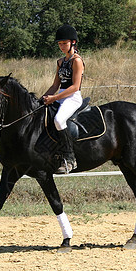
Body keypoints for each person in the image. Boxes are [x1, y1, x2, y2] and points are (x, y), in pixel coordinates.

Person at [42, 24, 84, 174]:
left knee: (59, 120)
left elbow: (75, 86)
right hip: (60, 95)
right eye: (59, 44)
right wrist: (43, 98)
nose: (61, 46)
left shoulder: (77, 61)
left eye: (64, 43)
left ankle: (70, 158)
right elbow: (55, 85)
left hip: (73, 97)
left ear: (73, 42)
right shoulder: (60, 62)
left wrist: (55, 98)